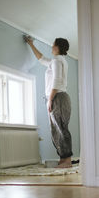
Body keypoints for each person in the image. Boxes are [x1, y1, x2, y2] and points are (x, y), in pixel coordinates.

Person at [25, 36, 73, 168]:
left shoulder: (57, 61)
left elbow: (56, 81)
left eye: (53, 45)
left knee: (60, 129)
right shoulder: (57, 61)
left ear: (57, 47)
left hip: (58, 97)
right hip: (60, 97)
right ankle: (64, 159)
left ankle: (67, 161)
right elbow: (41, 59)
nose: (51, 47)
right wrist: (31, 44)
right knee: (58, 129)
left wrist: (50, 100)